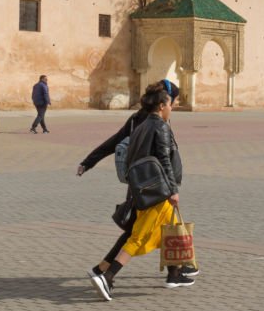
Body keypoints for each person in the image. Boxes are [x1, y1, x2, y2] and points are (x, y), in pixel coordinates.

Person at [77, 80, 198, 284]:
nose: (174, 105)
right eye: (173, 101)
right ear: (163, 102)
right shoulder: (149, 122)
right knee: (136, 234)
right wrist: (89, 161)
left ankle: (174, 272)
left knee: (168, 225)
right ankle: (105, 272)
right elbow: (121, 143)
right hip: (151, 186)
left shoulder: (152, 121)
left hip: (149, 184)